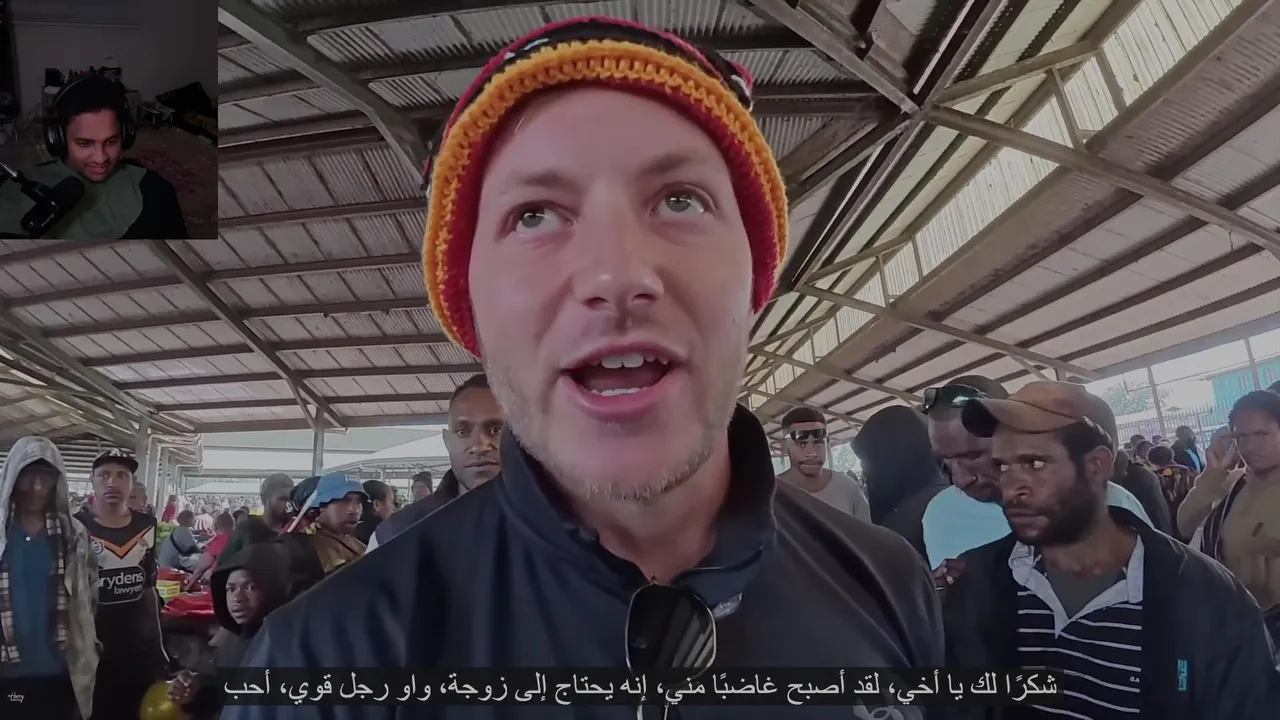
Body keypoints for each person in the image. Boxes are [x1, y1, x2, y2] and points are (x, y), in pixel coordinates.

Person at [229, 17, 943, 720]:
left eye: (680, 199)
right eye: (534, 215)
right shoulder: (322, 664)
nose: (617, 274)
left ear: (756, 274)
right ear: (469, 301)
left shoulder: (887, 582)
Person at [939, 381, 1280, 719]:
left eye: (1035, 464)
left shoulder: (1206, 600)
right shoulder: (977, 584)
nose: (1012, 488)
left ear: (1097, 465)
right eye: (1002, 466)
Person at [921, 376, 1154, 571]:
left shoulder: (1112, 502)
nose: (961, 479)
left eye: (975, 456)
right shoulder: (940, 514)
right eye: (946, 460)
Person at [0, 74, 187, 239]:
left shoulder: (157, 191)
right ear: (58, 139)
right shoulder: (10, 194)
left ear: (126, 135)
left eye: (111, 141)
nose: (100, 158)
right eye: (85, 143)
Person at [0, 436, 99, 718]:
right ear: (13, 477)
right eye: (28, 476)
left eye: (45, 477)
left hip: (58, 667)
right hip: (8, 672)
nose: (37, 487)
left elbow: (90, 595)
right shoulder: (2, 532)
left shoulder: (73, 535)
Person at [74, 450, 167, 720]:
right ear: (93, 481)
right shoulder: (76, 527)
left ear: (132, 482)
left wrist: (158, 644)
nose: (112, 482)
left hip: (136, 648)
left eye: (122, 475)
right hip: (92, 648)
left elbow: (148, 587)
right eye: (104, 475)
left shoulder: (147, 525)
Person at [366, 374, 504, 552]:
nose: (479, 446)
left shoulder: (542, 520)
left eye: (496, 430)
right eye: (462, 432)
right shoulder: (395, 534)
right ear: (447, 441)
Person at [166, 543, 298, 719]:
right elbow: (224, 692)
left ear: (273, 589)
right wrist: (194, 689)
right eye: (231, 589)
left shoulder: (290, 645)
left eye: (251, 587)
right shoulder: (235, 639)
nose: (237, 598)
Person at [1190, 391, 1280, 646]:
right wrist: (1212, 474)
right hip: (1238, 630)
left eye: (1261, 434)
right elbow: (1185, 524)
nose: (1250, 446)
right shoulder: (1233, 482)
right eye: (1241, 437)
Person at [850, 405, 948, 557]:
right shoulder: (952, 496)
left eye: (867, 462)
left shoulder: (906, 523)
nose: (865, 474)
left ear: (891, 459)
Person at [777, 407, 870, 520]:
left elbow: (866, 529)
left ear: (828, 444)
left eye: (818, 443)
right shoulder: (769, 494)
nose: (812, 453)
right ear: (785, 446)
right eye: (801, 444)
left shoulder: (848, 489)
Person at [218, 473, 294, 563]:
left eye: (291, 499)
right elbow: (223, 565)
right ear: (264, 500)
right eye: (283, 499)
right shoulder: (247, 530)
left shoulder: (294, 532)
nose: (289, 504)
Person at [300, 473, 367, 573]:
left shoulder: (361, 547)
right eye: (345, 500)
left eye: (359, 502)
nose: (354, 510)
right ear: (322, 505)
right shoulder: (302, 547)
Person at [1147, 444, 1193, 540]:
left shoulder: (1154, 475)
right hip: (1186, 505)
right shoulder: (1184, 470)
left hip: (1167, 510)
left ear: (1152, 460)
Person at [353, 480, 395, 545]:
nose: (394, 507)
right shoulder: (384, 534)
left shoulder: (349, 531)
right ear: (376, 505)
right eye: (392, 502)